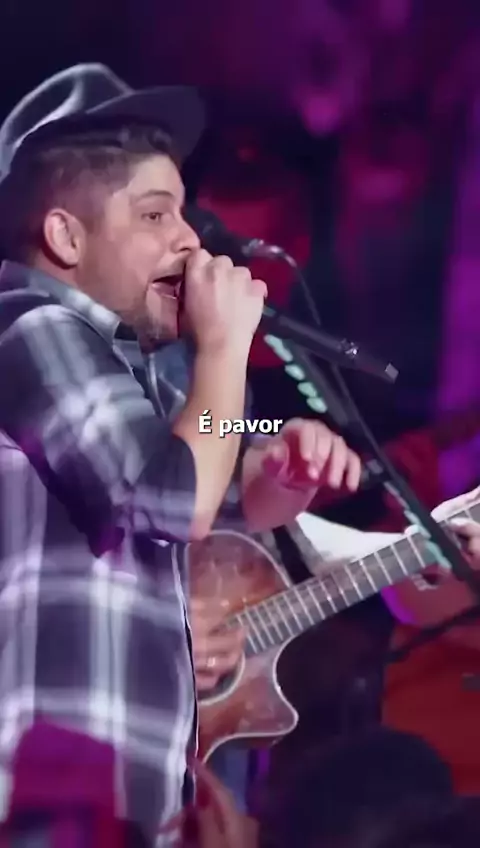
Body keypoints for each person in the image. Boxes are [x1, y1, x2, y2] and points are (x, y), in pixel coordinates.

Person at [0, 64, 362, 845]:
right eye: (156, 214)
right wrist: (225, 346)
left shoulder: (132, 372)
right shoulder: (31, 327)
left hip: (116, 801)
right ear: (65, 236)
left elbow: (228, 497)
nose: (191, 240)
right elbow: (178, 499)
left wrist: (283, 466)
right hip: (44, 792)